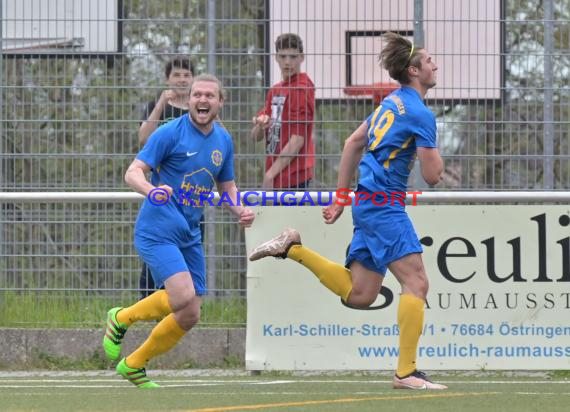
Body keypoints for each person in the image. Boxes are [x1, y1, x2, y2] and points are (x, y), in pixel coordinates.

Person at [249, 32, 446, 390]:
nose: (436, 65)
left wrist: (341, 195)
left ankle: (292, 248)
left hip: (366, 202)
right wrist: (432, 146)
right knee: (416, 282)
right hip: (384, 206)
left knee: (360, 294)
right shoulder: (419, 112)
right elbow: (433, 176)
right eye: (430, 61)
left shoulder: (393, 101)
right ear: (415, 71)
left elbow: (353, 142)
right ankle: (406, 372)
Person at [104, 74, 255, 388]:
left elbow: (226, 185)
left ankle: (133, 364)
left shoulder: (223, 140)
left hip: (189, 232)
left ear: (220, 102)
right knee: (182, 295)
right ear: (189, 101)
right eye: (197, 94)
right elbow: (132, 172)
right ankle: (121, 318)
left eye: (210, 96)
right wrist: (150, 189)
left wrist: (239, 208)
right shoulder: (169, 133)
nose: (202, 100)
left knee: (190, 314)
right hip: (156, 229)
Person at [137, 56, 204, 299]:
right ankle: (145, 306)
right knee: (156, 258)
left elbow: (220, 140)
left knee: (187, 257)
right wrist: (159, 105)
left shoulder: (201, 109)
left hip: (192, 196)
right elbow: (143, 139)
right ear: (168, 79)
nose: (182, 79)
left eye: (187, 75)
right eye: (177, 75)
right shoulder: (159, 106)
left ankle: (184, 309)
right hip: (163, 195)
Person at [251, 33, 315, 191]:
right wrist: (260, 125)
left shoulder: (302, 87)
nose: (287, 62)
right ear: (276, 57)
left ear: (302, 57)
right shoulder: (275, 90)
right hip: (276, 173)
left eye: (293, 57)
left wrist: (270, 174)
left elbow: (298, 139)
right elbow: (255, 137)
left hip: (294, 176)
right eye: (283, 56)